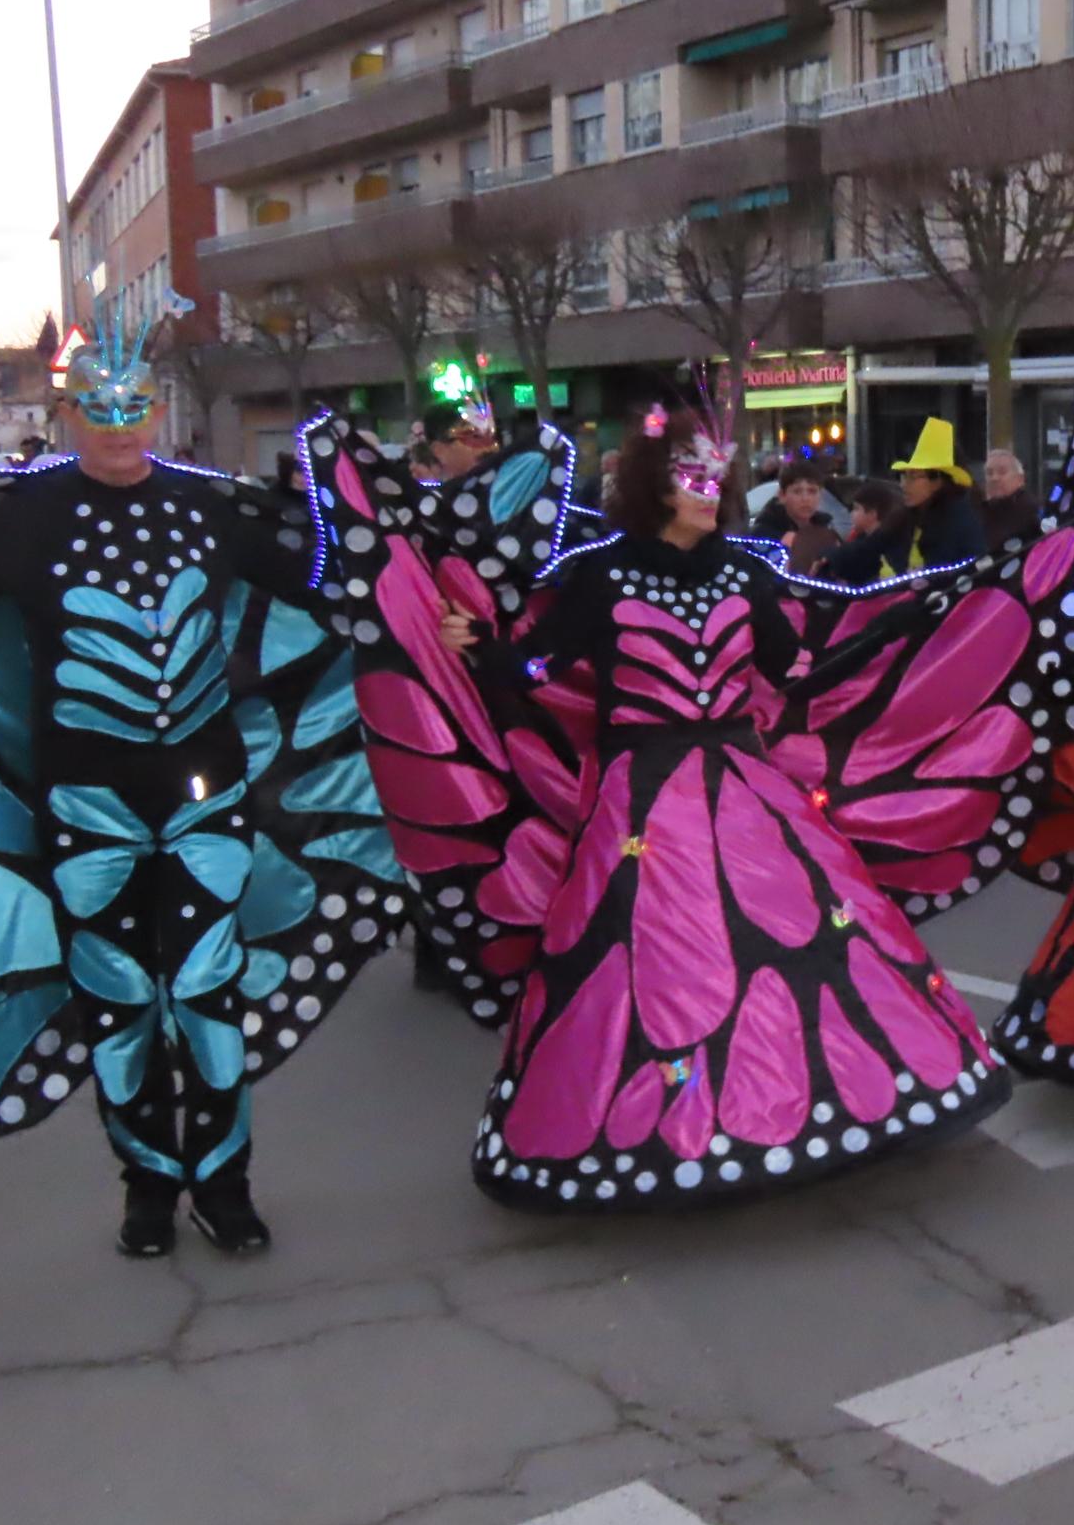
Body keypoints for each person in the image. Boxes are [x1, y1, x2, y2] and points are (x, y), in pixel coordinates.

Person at [0, 333, 386, 1259]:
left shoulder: (203, 509)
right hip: (86, 808)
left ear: (153, 409)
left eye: (131, 405)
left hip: (203, 797)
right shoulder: (29, 517)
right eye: (95, 409)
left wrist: (429, 594)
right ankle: (147, 1188)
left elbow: (320, 582)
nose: (116, 425)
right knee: (118, 1000)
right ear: (67, 415)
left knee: (205, 992)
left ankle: (224, 1186)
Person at [432, 408, 1009, 1209]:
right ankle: (664, 1131)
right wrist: (477, 647)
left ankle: (815, 1104)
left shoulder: (744, 572)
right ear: (655, 489)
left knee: (800, 943)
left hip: (746, 785)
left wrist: (906, 621)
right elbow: (536, 672)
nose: (712, 494)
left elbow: (798, 668)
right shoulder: (597, 574)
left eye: (716, 479)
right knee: (657, 966)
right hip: (641, 801)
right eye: (693, 480)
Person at [891, 419, 988, 568]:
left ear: (937, 481)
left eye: (913, 477)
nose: (903, 485)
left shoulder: (953, 519)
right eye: (903, 476)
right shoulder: (912, 515)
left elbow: (938, 574)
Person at [751, 458, 843, 574]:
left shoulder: (826, 526)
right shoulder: (763, 532)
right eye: (797, 491)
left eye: (812, 491)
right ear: (782, 496)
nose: (805, 499)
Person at [824, 479, 907, 583]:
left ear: (872, 513)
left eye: (856, 508)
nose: (851, 513)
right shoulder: (864, 537)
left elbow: (846, 556)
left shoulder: (875, 545)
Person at [980, 447, 1040, 548]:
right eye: (989, 473)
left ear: (1020, 479)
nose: (994, 478)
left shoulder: (1033, 512)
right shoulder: (979, 511)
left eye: (1002, 472)